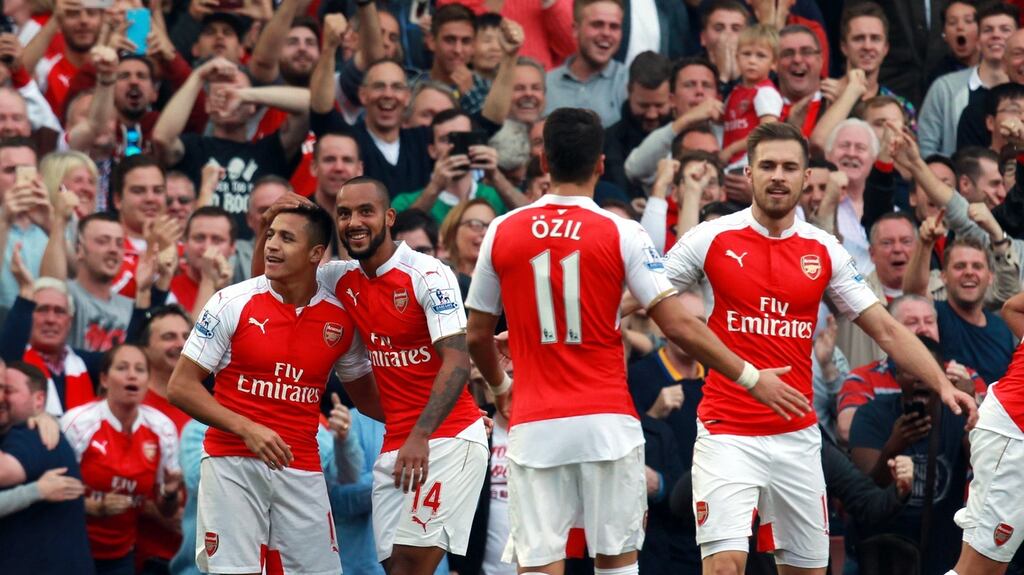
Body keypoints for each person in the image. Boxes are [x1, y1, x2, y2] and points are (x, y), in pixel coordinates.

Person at [462, 108, 798, 575]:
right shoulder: (623, 231)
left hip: (536, 422)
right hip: (607, 422)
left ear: (543, 161)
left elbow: (477, 335)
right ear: (601, 164)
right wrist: (751, 377)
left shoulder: (503, 229)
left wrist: (501, 388)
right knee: (617, 564)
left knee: (539, 565)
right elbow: (678, 325)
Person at [660, 121, 976, 575]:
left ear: (807, 176)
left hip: (798, 435)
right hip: (727, 430)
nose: (778, 176)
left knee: (806, 570)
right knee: (725, 566)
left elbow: (886, 330)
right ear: (748, 173)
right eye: (767, 165)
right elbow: (649, 298)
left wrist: (942, 384)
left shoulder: (823, 249)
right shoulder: (710, 237)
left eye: (789, 167)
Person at [253, 176, 488, 574]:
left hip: (442, 439)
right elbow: (271, 283)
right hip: (397, 440)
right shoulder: (338, 278)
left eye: (366, 211)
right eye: (344, 214)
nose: (354, 222)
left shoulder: (429, 274)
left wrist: (428, 430)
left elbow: (457, 362)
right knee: (395, 567)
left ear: (389, 217)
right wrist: (269, 224)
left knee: (410, 567)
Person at [167, 202, 374, 575]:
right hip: (231, 462)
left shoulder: (341, 317)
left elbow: (371, 401)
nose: (272, 245)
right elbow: (180, 386)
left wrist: (449, 418)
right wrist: (247, 428)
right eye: (271, 234)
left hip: (302, 466)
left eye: (287, 238)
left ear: (315, 254)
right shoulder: (231, 301)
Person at [848, 337, 969, 575]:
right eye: (912, 369)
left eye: (928, 370)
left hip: (943, 551)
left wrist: (971, 412)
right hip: (882, 555)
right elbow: (866, 493)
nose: (920, 377)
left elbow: (986, 463)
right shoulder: (871, 415)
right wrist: (894, 446)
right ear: (897, 375)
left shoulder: (956, 416)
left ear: (942, 375)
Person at [61, 344, 182, 575]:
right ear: (104, 379)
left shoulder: (162, 428)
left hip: (122, 554)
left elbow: (167, 511)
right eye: (122, 368)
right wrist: (94, 507)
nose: (132, 375)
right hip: (71, 547)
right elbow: (50, 493)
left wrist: (170, 493)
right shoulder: (77, 423)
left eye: (140, 369)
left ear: (147, 381)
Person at [949, 290, 1024, 574]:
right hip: (1012, 432)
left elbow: (1012, 308)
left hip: (1010, 430)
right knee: (978, 569)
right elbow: (1013, 307)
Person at [0, 359, 95, 575]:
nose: (2, 397)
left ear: (39, 399)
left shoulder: (33, 436)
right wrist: (37, 491)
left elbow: (3, 472)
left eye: (7, 390)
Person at [544, 0, 629, 127]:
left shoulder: (629, 84)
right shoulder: (546, 85)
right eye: (597, 25)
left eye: (614, 27)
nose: (606, 33)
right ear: (575, 29)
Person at [720, 24, 782, 168]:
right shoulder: (735, 91)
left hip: (752, 162)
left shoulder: (765, 92)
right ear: (737, 57)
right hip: (733, 163)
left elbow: (767, 132)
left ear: (774, 63)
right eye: (746, 54)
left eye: (761, 56)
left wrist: (731, 150)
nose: (752, 61)